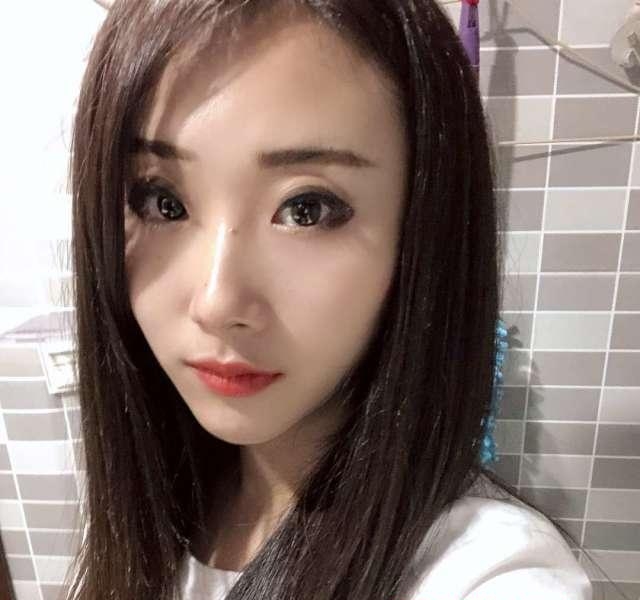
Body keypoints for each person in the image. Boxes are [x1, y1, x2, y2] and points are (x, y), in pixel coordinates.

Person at [65, 1, 611, 599]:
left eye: (308, 208)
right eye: (161, 202)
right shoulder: (149, 515)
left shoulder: (483, 570)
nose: (217, 303)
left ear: (421, 230)